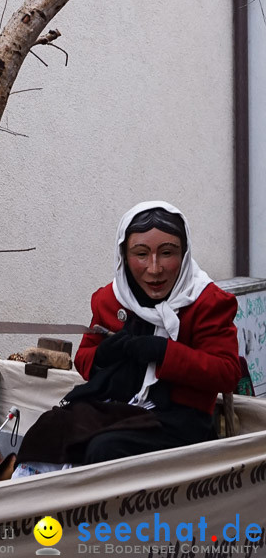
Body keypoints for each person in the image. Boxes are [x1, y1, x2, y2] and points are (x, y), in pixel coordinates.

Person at [14, 201, 241, 474]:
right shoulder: (113, 298)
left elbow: (227, 372)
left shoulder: (207, 301)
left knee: (105, 449)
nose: (154, 269)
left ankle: (99, 517)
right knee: (48, 430)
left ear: (185, 253)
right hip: (117, 409)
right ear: (123, 254)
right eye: (141, 254)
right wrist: (104, 355)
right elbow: (85, 361)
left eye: (167, 252)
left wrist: (163, 352)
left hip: (179, 420)